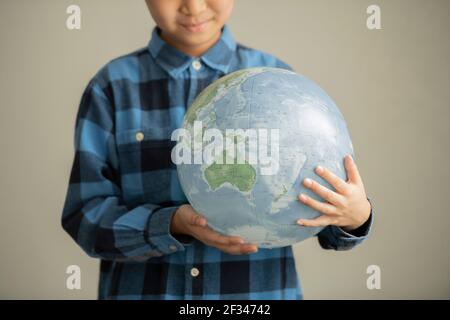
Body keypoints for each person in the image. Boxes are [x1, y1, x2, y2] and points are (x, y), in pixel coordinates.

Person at [61, 0, 373, 300]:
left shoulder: (277, 81)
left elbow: (317, 217)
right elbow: (85, 217)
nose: (193, 7)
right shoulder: (112, 88)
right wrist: (170, 224)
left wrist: (354, 217)